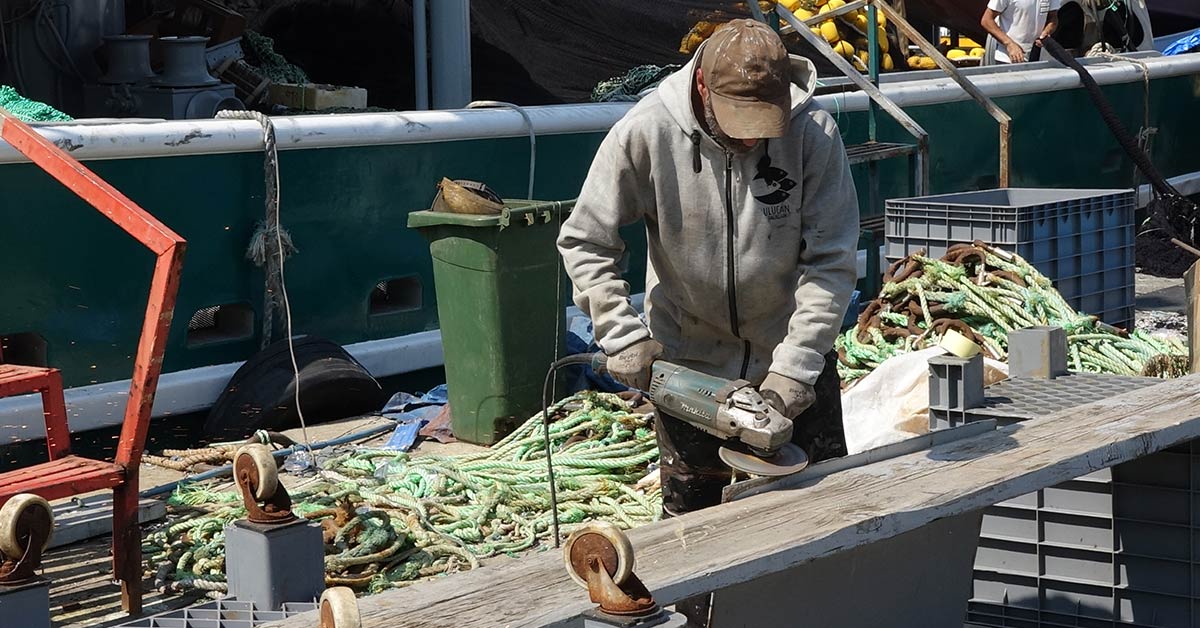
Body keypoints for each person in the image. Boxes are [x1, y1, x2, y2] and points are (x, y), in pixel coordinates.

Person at [557, 19, 859, 519]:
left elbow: (830, 261)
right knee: (694, 523)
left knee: (820, 513)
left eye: (765, 125)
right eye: (741, 123)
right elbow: (586, 239)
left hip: (790, 359)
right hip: (688, 365)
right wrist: (621, 333)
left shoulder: (812, 133)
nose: (750, 142)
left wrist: (797, 366)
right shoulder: (646, 131)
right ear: (703, 86)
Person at [981, 0, 1061, 64]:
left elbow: (1053, 17)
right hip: (1008, 59)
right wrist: (1009, 44)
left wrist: (1046, 32)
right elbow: (987, 20)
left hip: (1039, 60)